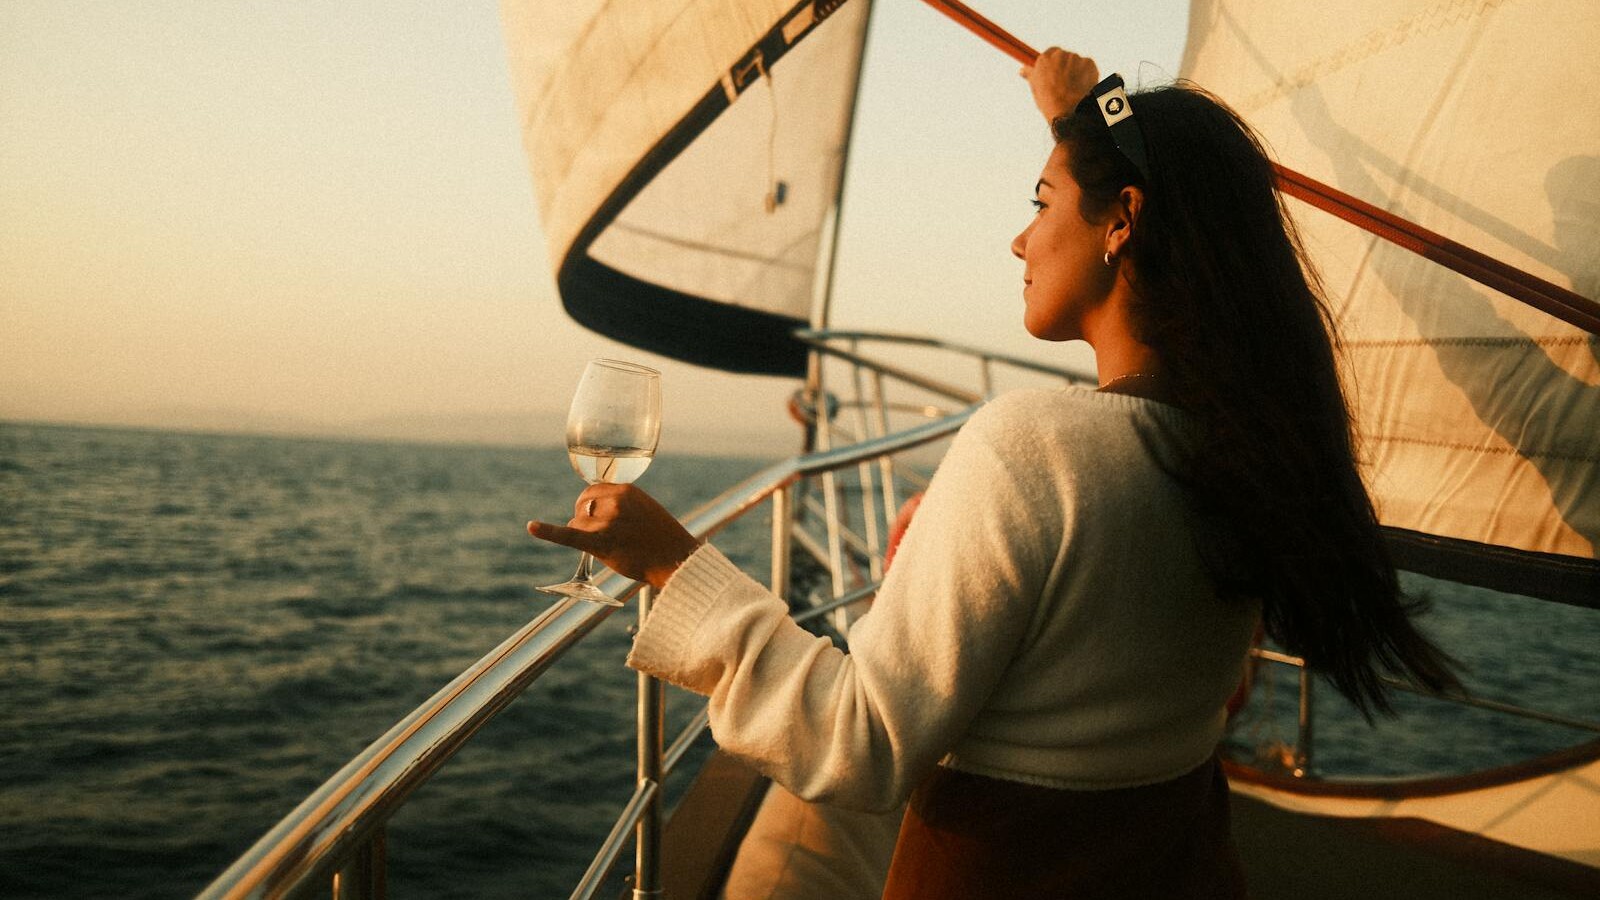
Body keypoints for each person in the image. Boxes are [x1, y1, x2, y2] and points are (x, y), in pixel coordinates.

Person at [528, 48, 1461, 898]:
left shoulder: (1031, 447)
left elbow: (859, 744)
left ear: (1122, 222)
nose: (1020, 242)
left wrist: (672, 565)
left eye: (1040, 204)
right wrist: (1077, 121)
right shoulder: (1243, 450)